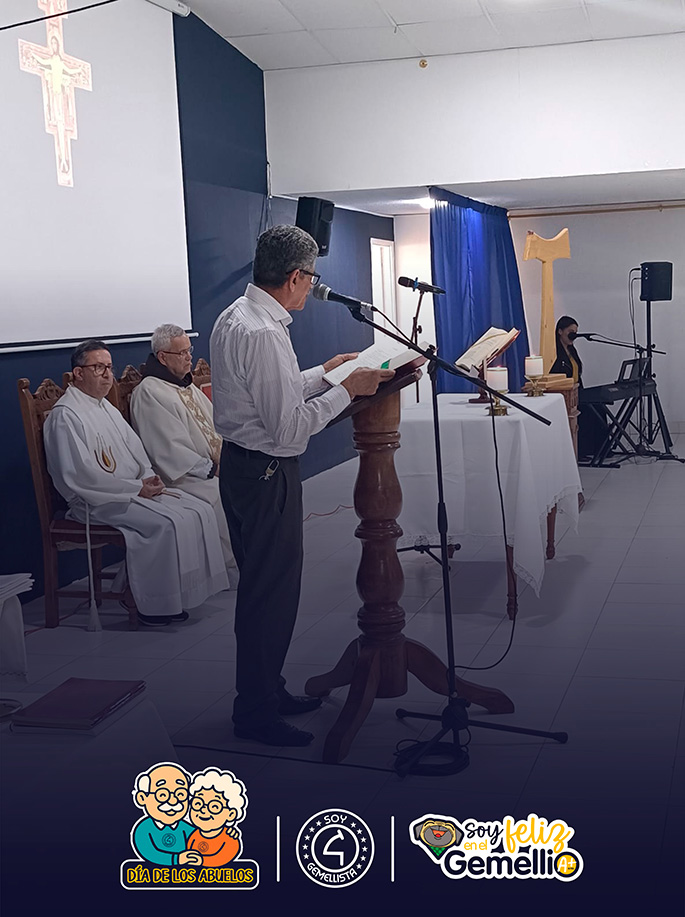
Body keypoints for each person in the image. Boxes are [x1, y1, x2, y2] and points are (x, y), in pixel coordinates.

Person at [210, 224, 394, 747]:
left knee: (263, 590)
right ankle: (256, 711)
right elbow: (288, 427)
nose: (312, 286)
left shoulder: (238, 315)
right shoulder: (265, 333)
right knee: (270, 595)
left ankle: (267, 690)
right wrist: (349, 390)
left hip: (243, 468)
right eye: (311, 277)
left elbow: (270, 393)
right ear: (294, 276)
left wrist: (325, 373)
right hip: (267, 472)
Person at [43, 340, 229, 626]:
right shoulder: (66, 416)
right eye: (98, 368)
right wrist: (135, 489)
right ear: (78, 373)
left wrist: (146, 478)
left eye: (109, 367)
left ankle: (179, 595)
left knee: (198, 510)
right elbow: (81, 476)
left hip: (128, 490)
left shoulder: (104, 407)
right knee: (164, 525)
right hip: (95, 501)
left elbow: (136, 450)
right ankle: (153, 607)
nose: (107, 374)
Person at [130, 324, 238, 587]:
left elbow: (215, 426)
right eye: (182, 353)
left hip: (210, 468)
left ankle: (248, 557)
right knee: (221, 495)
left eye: (189, 350)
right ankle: (229, 568)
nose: (190, 357)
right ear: (163, 357)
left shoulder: (184, 386)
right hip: (180, 477)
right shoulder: (150, 392)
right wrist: (212, 469)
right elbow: (168, 449)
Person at [550, 315, 607, 461]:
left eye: (575, 332)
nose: (574, 335)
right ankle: (581, 450)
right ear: (560, 331)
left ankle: (601, 450)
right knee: (587, 411)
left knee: (600, 407)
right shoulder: (554, 354)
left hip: (577, 391)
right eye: (570, 332)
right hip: (565, 395)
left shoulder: (572, 351)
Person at [130, 763, 200, 866]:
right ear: (142, 798)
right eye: (162, 795)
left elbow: (201, 839)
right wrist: (177, 859)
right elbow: (149, 852)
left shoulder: (186, 828)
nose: (173, 801)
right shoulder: (143, 829)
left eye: (180, 794)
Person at [186, 768, 245, 867]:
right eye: (198, 803)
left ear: (231, 814)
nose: (203, 810)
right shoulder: (194, 835)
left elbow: (225, 856)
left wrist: (202, 861)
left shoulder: (229, 837)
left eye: (214, 807)